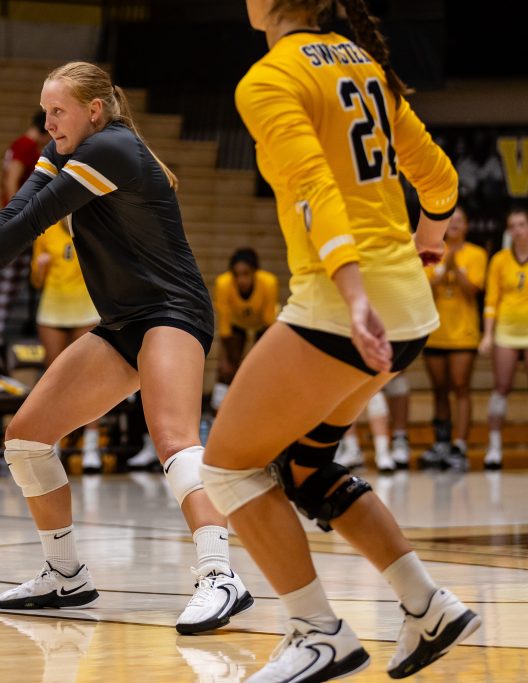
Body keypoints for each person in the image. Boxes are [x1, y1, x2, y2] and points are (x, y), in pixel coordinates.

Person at [199, 2, 480, 680]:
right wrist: (429, 245)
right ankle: (427, 603)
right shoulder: (365, 65)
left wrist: (355, 297)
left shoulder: (270, 77)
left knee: (229, 468)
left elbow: (313, 187)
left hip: (342, 308)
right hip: (408, 310)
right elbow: (440, 180)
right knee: (304, 469)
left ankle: (316, 630)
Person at [0, 62, 252, 634]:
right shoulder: (66, 154)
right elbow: (13, 212)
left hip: (173, 313)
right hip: (123, 320)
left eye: (58, 111)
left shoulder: (113, 149)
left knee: (174, 438)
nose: (48, 121)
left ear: (94, 111)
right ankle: (65, 573)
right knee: (26, 438)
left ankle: (220, 576)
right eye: (46, 110)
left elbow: (34, 217)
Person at [30, 222, 102, 471]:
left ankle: (91, 447)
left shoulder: (91, 227)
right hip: (53, 307)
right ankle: (54, 443)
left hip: (85, 307)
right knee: (55, 378)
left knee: (89, 377)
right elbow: (36, 280)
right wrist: (40, 268)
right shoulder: (46, 232)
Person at [421, 205, 487, 470]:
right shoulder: (431, 252)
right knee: (439, 389)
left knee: (461, 386)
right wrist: (443, 265)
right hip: (436, 332)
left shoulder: (477, 254)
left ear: (467, 226)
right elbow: (425, 288)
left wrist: (454, 267)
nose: (455, 225)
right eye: (451, 221)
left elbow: (473, 290)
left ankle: (460, 443)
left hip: (464, 334)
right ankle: (441, 441)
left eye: (460, 220)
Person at [0, 112, 52, 338]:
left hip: (19, 218)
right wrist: (18, 214)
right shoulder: (25, 146)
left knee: (14, 278)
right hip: (19, 220)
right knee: (11, 277)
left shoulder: (22, 145)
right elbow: (11, 180)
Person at [479, 207, 528, 470]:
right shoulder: (499, 260)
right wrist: (487, 334)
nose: (518, 230)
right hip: (506, 332)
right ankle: (494, 447)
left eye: (522, 224)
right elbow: (491, 300)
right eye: (513, 226)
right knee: (501, 387)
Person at [210, 247, 279, 411]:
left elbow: (270, 323)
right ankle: (219, 408)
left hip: (262, 324)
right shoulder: (223, 284)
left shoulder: (268, 283)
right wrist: (226, 360)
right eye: (237, 274)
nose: (241, 280)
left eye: (246, 273)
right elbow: (225, 325)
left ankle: (259, 404)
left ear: (255, 272)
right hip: (237, 324)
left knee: (260, 366)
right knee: (226, 367)